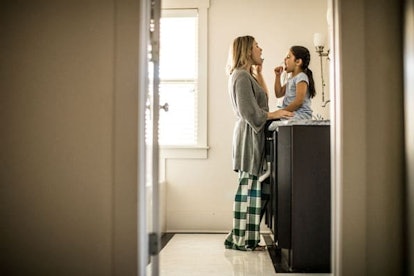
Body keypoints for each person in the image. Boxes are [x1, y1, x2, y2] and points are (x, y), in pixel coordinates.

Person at [224, 35, 293, 251]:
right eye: (256, 46)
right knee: (248, 187)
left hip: (253, 136)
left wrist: (260, 72)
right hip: (248, 137)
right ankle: (241, 239)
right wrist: (275, 114)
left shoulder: (247, 76)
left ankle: (247, 238)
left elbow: (263, 98)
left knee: (253, 187)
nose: (260, 49)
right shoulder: (241, 76)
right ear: (247, 51)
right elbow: (250, 113)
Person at [274, 45, 316, 119]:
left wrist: (282, 112)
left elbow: (299, 101)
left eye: (288, 57)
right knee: (270, 123)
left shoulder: (301, 77)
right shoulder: (291, 79)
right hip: (292, 113)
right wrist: (278, 76)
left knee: (270, 123)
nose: (284, 59)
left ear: (298, 62)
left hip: (301, 115)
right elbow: (279, 93)